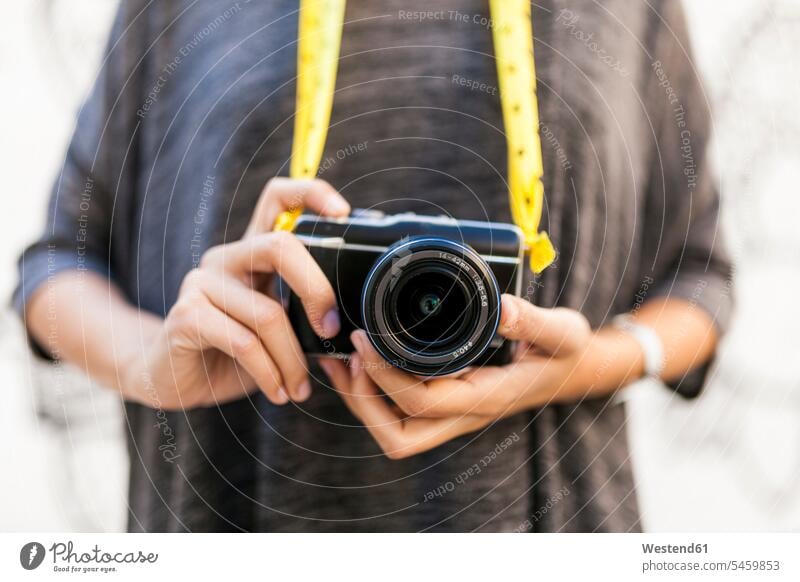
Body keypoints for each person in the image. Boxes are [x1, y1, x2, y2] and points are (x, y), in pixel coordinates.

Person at [13, 0, 732, 532]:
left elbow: (699, 276)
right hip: (229, 521)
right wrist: (148, 362)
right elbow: (58, 260)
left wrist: (593, 362)